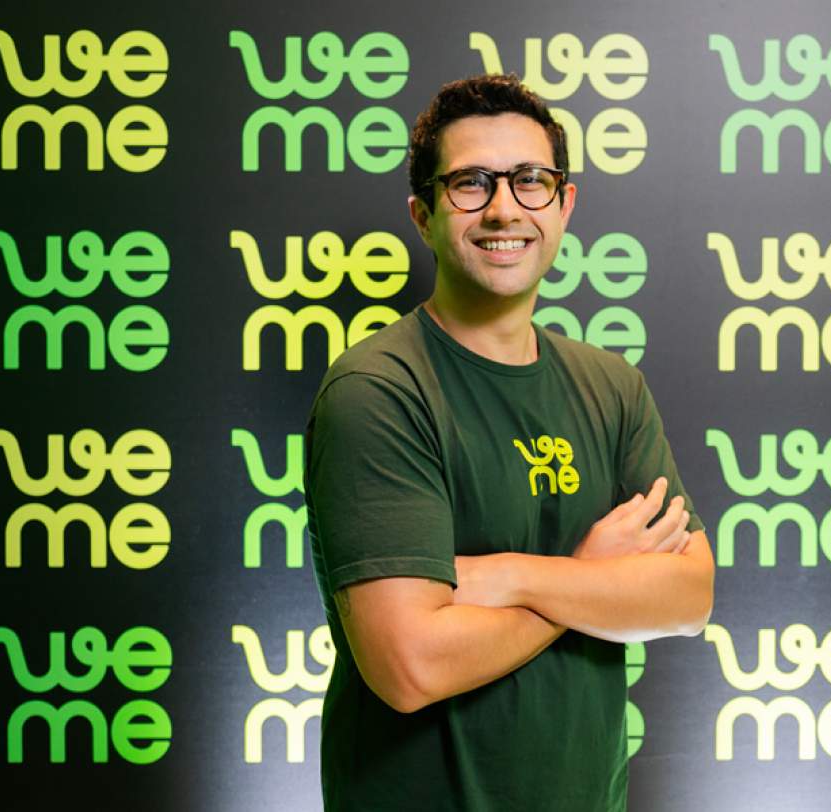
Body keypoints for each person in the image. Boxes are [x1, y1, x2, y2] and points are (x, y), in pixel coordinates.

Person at [305, 73, 714, 811]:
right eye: (471, 183)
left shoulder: (612, 386)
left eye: (530, 181)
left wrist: (514, 577)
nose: (504, 208)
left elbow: (687, 596)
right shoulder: (378, 391)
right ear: (423, 216)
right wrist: (590, 578)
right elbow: (411, 666)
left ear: (564, 204)